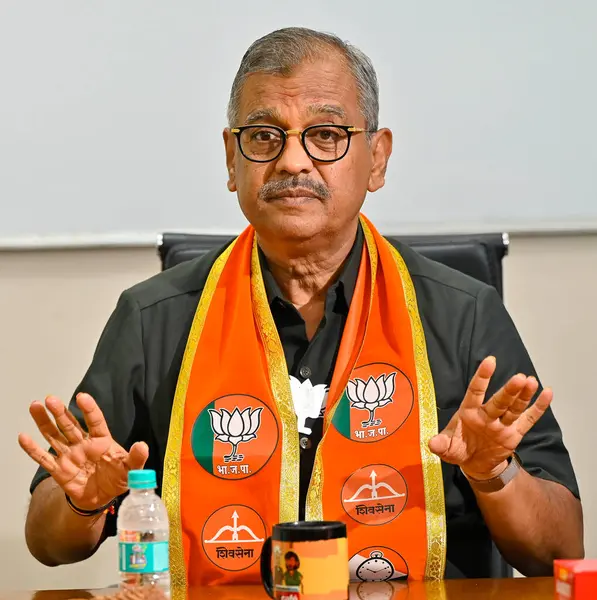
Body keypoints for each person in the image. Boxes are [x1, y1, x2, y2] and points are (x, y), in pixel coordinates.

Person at [19, 27, 583, 592]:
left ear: (378, 158)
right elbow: (47, 543)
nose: (293, 161)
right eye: (264, 136)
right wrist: (81, 500)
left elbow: (560, 550)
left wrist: (495, 474)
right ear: (231, 159)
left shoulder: (463, 315)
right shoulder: (155, 318)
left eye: (326, 135)